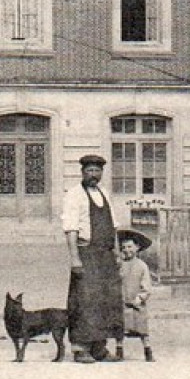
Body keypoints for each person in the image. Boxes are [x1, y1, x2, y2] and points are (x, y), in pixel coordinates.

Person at [61, 154, 128, 363]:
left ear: (102, 173)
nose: (93, 174)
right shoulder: (74, 195)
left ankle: (99, 347)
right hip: (86, 252)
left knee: (106, 300)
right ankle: (80, 348)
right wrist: (74, 259)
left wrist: (116, 253)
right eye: (89, 171)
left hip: (106, 254)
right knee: (84, 300)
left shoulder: (104, 193)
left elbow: (114, 226)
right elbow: (71, 229)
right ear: (82, 172)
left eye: (97, 171)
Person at [118, 230, 156, 363]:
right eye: (123, 247)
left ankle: (148, 351)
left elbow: (146, 286)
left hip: (137, 304)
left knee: (142, 329)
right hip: (122, 303)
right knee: (120, 329)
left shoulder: (142, 266)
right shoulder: (119, 265)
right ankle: (119, 350)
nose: (127, 250)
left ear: (137, 247)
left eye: (130, 247)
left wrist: (140, 298)